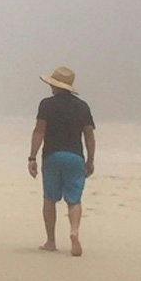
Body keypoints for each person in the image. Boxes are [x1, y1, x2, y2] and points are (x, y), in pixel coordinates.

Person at [28, 65, 95, 255]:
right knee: (74, 200)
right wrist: (90, 160)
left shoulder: (46, 104)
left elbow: (39, 131)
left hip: (52, 157)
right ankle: (74, 231)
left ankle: (50, 241)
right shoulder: (83, 107)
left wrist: (32, 157)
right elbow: (89, 136)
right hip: (75, 157)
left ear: (55, 86)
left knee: (50, 199)